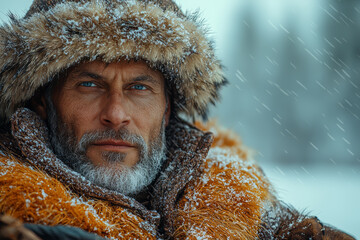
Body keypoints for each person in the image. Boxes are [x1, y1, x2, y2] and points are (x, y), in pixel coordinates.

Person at [0, 0, 355, 239]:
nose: (116, 114)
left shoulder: (240, 200)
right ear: (42, 102)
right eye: (89, 84)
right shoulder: (14, 212)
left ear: (168, 109)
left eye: (139, 87)